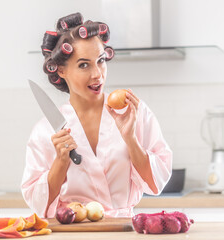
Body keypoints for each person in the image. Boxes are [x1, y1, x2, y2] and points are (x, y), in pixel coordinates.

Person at [21, 12, 172, 218]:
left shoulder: (133, 112)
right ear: (62, 71)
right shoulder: (45, 130)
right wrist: (61, 162)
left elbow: (157, 184)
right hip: (75, 232)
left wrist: (131, 140)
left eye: (100, 61)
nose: (97, 74)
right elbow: (37, 204)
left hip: (124, 229)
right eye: (84, 65)